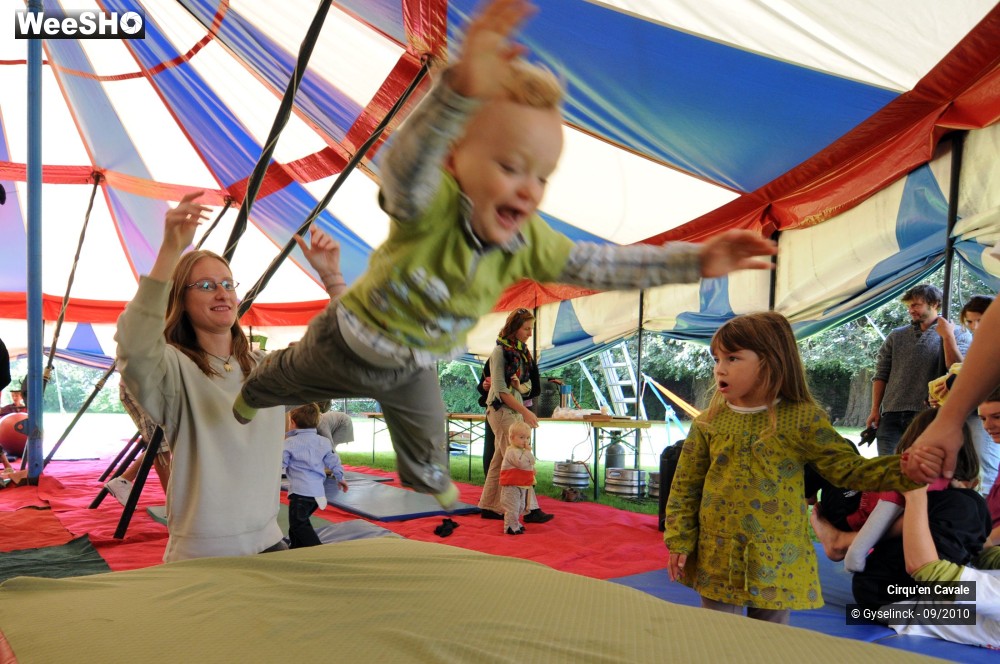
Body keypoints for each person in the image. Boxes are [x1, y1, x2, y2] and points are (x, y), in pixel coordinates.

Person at [231, 0, 777, 510]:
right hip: (347, 339)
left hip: (409, 366)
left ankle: (435, 478)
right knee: (287, 380)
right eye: (509, 166)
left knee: (429, 465)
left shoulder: (527, 241)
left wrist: (696, 261)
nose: (526, 188)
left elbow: (605, 266)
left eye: (541, 176)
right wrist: (459, 91)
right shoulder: (432, 204)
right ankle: (253, 389)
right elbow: (404, 167)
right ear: (456, 163)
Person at [114, 191, 343, 562]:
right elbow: (134, 341)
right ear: (181, 300)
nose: (221, 292)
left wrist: (333, 279)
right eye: (205, 285)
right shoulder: (171, 369)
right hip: (203, 553)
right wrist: (170, 251)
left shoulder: (265, 369)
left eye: (228, 283)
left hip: (269, 542)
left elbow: (341, 357)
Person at [664, 311, 919, 625]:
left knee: (770, 642)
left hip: (777, 554)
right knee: (717, 637)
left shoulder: (801, 419)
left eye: (732, 358)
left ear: (770, 361)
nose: (720, 369)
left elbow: (847, 469)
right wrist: (679, 540)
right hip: (719, 552)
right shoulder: (709, 423)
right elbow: (685, 487)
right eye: (717, 359)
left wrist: (906, 469)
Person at [890, 485, 1000, 648]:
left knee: (959, 507)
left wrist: (915, 493)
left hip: (897, 598)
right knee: (973, 504)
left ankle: (844, 540)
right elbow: (986, 556)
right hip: (922, 586)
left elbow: (926, 570)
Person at [866, 284, 969, 457]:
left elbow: (958, 371)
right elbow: (881, 374)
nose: (910, 310)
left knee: (921, 470)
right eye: (908, 306)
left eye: (915, 305)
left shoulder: (958, 333)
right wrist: (875, 409)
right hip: (891, 413)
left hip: (929, 415)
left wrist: (947, 336)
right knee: (887, 469)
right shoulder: (896, 335)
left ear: (934, 304)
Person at [478, 308, 550, 522]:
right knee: (518, 458)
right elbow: (500, 391)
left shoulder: (523, 353)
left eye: (531, 328)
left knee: (499, 459)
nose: (530, 333)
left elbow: (529, 387)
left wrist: (520, 387)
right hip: (501, 410)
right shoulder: (499, 352)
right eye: (526, 328)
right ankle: (531, 510)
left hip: (512, 410)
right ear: (514, 328)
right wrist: (526, 412)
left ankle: (489, 506)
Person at [930, 294, 997, 493]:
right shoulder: (980, 341)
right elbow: (961, 368)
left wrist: (956, 379)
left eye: (980, 320)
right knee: (972, 462)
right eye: (969, 321)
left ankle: (989, 511)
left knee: (985, 464)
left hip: (988, 411)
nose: (975, 326)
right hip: (977, 411)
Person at [283, 403, 348, 549]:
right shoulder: (323, 442)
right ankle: (296, 548)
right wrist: (340, 477)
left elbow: (281, 463)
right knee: (297, 523)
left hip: (300, 493)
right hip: (317, 494)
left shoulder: (289, 443)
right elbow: (333, 461)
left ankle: (318, 550)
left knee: (299, 524)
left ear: (292, 422)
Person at [499, 420, 536, 535]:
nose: (525, 441)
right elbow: (521, 463)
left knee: (521, 506)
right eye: (521, 437)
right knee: (512, 507)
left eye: (528, 438)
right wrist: (528, 452)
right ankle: (510, 527)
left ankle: (516, 523)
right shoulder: (511, 451)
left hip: (522, 484)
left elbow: (532, 461)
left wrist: (532, 469)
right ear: (512, 437)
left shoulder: (523, 451)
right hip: (511, 485)